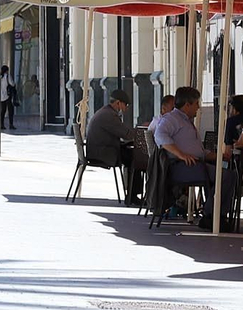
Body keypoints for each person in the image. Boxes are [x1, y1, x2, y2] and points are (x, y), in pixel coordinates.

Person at [153, 86, 233, 230]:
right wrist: (181, 154)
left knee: (227, 175)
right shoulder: (172, 118)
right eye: (196, 103)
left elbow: (199, 151)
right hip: (182, 167)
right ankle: (211, 215)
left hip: (195, 164)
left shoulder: (186, 121)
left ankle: (215, 215)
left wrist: (218, 156)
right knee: (225, 176)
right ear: (187, 105)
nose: (198, 107)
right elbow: (160, 135)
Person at [85, 90, 135, 168]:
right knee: (136, 157)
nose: (126, 108)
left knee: (132, 154)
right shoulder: (110, 115)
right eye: (126, 104)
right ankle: (134, 177)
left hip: (96, 151)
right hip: (102, 154)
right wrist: (141, 132)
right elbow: (127, 135)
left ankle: (130, 176)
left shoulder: (105, 111)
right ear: (118, 103)